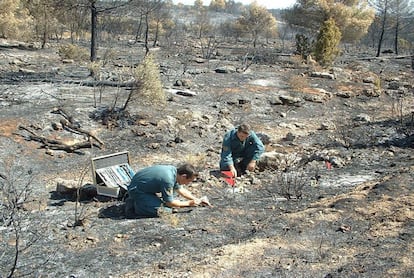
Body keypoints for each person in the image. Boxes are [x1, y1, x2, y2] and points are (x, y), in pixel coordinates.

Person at [125, 163, 208, 218]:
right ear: (184, 176)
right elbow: (170, 203)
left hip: (143, 187)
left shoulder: (174, 171)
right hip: (137, 191)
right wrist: (188, 204)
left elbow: (180, 189)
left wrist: (196, 199)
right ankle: (136, 206)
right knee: (165, 211)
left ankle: (141, 201)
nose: (187, 184)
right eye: (188, 181)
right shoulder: (168, 180)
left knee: (171, 201)